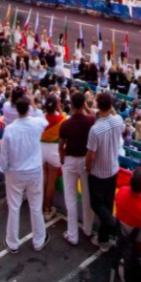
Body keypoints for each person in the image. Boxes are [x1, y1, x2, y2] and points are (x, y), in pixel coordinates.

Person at [0, 94, 48, 254]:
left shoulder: (10, 129)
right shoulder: (36, 123)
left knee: (14, 207)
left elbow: (4, 155)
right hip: (33, 171)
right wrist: (34, 106)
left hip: (16, 172)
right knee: (35, 207)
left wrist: (4, 169)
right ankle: (38, 240)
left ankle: (13, 243)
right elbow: (44, 119)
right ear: (28, 109)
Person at [86, 91, 125, 249]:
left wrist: (88, 168)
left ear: (97, 105)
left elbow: (91, 155)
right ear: (111, 106)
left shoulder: (95, 129)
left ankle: (113, 224)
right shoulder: (118, 120)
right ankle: (103, 240)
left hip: (97, 173)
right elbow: (114, 116)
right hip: (112, 170)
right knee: (107, 205)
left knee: (96, 205)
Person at [59, 91, 95, 247]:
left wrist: (62, 159)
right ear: (84, 104)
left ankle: (72, 235)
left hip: (70, 161)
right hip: (86, 162)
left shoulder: (65, 124)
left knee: (71, 198)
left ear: (72, 105)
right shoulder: (91, 121)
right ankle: (87, 229)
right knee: (87, 197)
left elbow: (61, 146)